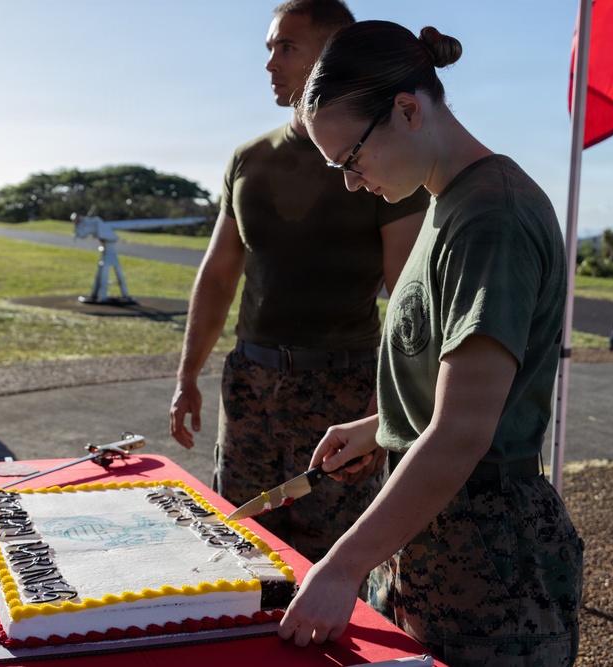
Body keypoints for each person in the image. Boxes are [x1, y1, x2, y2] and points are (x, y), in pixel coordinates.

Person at [277, 21, 584, 665]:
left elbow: (464, 431)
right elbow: (452, 384)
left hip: (492, 566)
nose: (351, 183)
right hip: (437, 538)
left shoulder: (490, 217)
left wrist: (339, 567)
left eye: (350, 159)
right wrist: (379, 426)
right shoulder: (450, 200)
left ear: (409, 110)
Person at [168, 0, 429, 564]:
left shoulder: (381, 158)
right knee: (236, 546)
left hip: (338, 390)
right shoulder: (249, 159)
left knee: (329, 560)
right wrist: (188, 373)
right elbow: (218, 276)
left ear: (334, 54)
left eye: (286, 47)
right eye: (269, 47)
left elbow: (408, 296)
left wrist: (389, 409)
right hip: (249, 384)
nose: (270, 63)